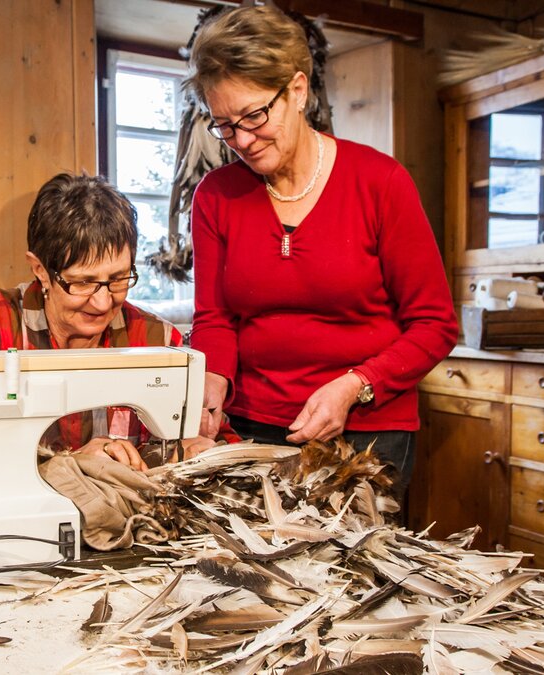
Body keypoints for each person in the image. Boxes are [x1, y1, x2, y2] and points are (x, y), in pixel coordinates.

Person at [185, 6, 458, 511]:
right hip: (251, 427)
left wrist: (356, 386)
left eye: (254, 116)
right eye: (224, 125)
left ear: (297, 90)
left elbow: (434, 325)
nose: (241, 140)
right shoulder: (215, 196)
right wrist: (210, 384)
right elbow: (215, 318)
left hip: (367, 435)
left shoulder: (381, 184)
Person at [0, 173, 218, 489]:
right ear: (40, 269)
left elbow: (208, 437)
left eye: (119, 278)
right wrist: (68, 467)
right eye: (83, 282)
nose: (103, 301)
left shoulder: (157, 340)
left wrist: (201, 450)